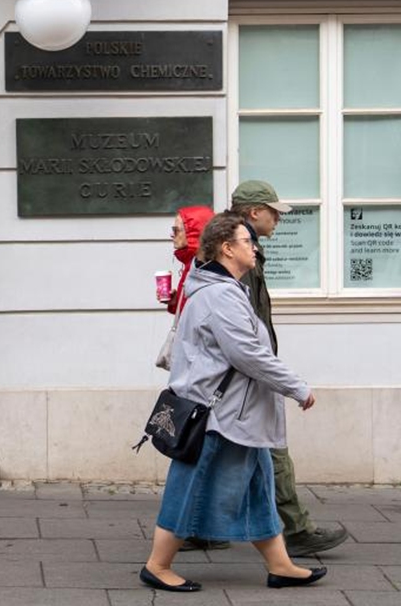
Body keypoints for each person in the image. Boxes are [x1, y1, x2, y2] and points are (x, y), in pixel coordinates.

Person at [140, 212, 328, 593]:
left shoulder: (225, 289)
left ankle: (280, 565)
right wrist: (296, 387)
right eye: (247, 242)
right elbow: (248, 354)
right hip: (218, 417)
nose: (254, 248)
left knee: (259, 488)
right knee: (190, 486)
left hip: (237, 416)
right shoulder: (220, 296)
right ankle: (157, 565)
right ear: (227, 248)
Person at [229, 179, 349, 557]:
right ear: (254, 212)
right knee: (272, 448)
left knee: (217, 454)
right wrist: (279, 377)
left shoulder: (241, 250)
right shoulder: (241, 256)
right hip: (246, 374)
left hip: (244, 372)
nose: (278, 219)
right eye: (273, 212)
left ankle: (193, 529)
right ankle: (295, 531)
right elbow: (244, 326)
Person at [163, 205, 215, 314]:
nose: (172, 235)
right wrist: (176, 302)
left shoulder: (202, 268)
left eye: (176, 230)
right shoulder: (192, 263)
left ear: (194, 232)